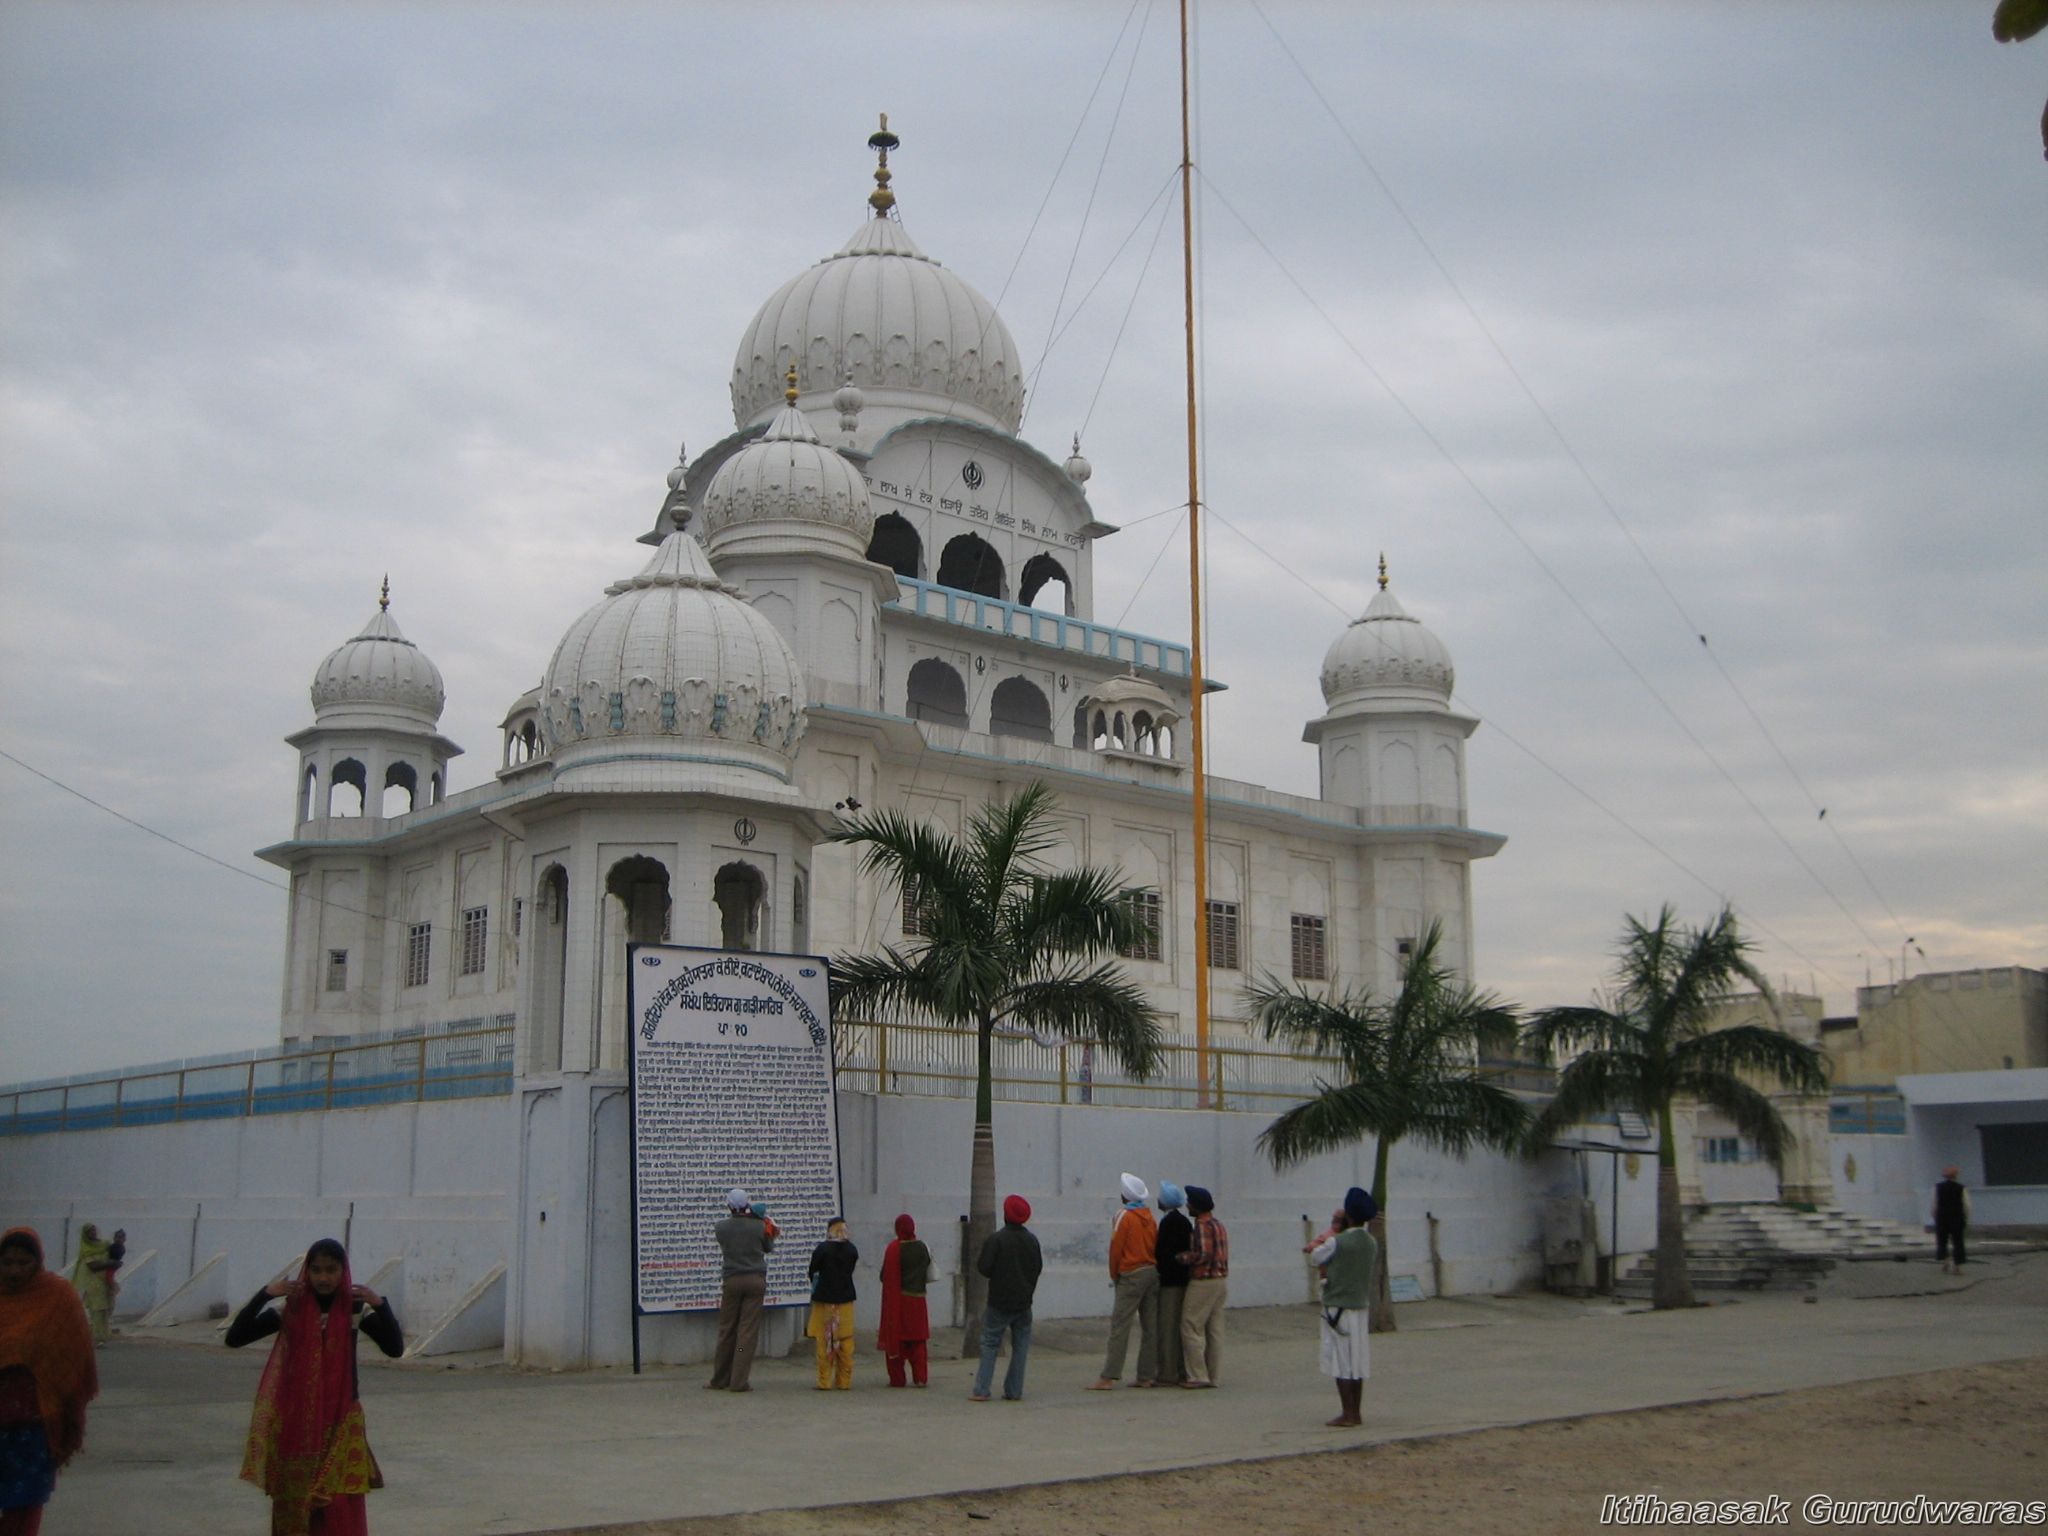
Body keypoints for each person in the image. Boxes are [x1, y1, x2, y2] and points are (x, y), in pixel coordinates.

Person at [226, 1237, 402, 1536]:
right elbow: (236, 1337)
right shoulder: (291, 1309)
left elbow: (394, 1348)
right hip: (297, 1421)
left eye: (331, 1270)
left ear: (342, 1271)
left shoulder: (355, 1309)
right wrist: (264, 1294)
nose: (323, 1278)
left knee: (339, 1502)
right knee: (297, 1499)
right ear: (306, 1271)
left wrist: (381, 1305)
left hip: (342, 1417)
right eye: (316, 1270)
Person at [0, 1228, 98, 1536]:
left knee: (24, 1508)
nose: (14, 1270)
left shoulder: (58, 1297)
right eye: (7, 1262)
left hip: (34, 1427)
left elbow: (76, 1356)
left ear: (38, 1261)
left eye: (23, 1262)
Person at [1310, 1187, 1378, 1428]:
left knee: (1341, 1363)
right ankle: (1356, 1412)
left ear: (1347, 1215)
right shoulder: (1370, 1242)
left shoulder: (1336, 1241)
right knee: (1357, 1362)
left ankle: (1347, 1413)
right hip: (1359, 1306)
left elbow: (1315, 1257)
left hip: (1337, 1307)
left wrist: (1335, 1229)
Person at [1090, 1172, 1159, 1390]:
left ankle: (1108, 1376)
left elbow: (1116, 1249)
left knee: (1120, 1326)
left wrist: (1114, 1274)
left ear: (1124, 1196)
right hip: (1151, 1271)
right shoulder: (1149, 1217)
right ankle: (1146, 1375)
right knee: (1150, 1327)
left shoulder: (1123, 1217)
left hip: (1131, 1274)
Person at [971, 1194, 1042, 1402]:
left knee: (990, 1343)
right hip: (1024, 1302)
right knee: (1020, 1347)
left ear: (1005, 1215)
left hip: (999, 1302)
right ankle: (1014, 1390)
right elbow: (1037, 1268)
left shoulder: (997, 1239)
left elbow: (984, 1267)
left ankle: (982, 1389)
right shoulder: (1032, 1240)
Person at [707, 1189, 774, 1392]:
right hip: (755, 1279)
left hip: (732, 1279)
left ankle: (719, 1379)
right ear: (747, 1204)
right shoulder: (760, 1226)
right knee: (746, 1333)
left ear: (729, 1205)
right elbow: (768, 1247)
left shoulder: (721, 1227)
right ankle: (738, 1381)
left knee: (727, 1330)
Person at [1175, 1185, 1229, 1389]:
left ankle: (1198, 1374)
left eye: (1190, 1202)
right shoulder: (1218, 1225)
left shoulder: (1202, 1226)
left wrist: (1183, 1257)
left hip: (1203, 1281)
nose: (1187, 1205)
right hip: (1220, 1280)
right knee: (1215, 1329)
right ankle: (1213, 1376)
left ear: (1196, 1206)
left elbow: (1204, 1254)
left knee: (1190, 1325)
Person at [877, 1214, 932, 1388]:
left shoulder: (894, 1249)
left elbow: (884, 1276)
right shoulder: (922, 1247)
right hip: (918, 1301)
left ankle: (898, 1378)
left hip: (899, 1302)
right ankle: (921, 1377)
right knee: (918, 1341)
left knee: (898, 1340)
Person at [806, 1217, 859, 1390]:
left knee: (824, 1341)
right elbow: (851, 1270)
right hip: (845, 1301)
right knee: (845, 1341)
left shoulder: (822, 1249)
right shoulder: (852, 1249)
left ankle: (824, 1381)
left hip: (825, 1301)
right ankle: (844, 1381)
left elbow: (812, 1270)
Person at [1153, 1181, 1193, 1387]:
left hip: (1169, 1282)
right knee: (1180, 1328)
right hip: (1184, 1280)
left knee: (1167, 1328)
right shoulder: (1185, 1222)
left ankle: (1167, 1373)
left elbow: (1162, 1254)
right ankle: (1182, 1369)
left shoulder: (1167, 1224)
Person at [66, 1226, 116, 1349]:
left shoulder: (104, 1245)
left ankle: (103, 1335)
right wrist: (109, 1263)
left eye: (94, 1230)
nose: (93, 1233)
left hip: (106, 1281)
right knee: (97, 1310)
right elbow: (93, 1266)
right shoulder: (86, 1249)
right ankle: (97, 1338)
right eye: (89, 1231)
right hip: (94, 1283)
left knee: (107, 1308)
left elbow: (114, 1253)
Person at [1932, 1165, 1972, 1274]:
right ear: (1956, 1176)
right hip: (1957, 1217)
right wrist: (1966, 1218)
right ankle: (1957, 1266)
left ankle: (1945, 1261)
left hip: (1942, 1217)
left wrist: (1935, 1216)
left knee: (1942, 1241)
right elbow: (1967, 1205)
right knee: (1958, 1242)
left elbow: (1935, 1203)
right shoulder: (1961, 1188)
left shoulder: (1938, 1187)